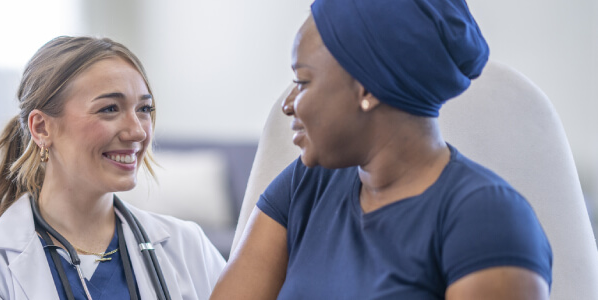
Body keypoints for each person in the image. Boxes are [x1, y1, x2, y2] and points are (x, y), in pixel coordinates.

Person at [212, 0, 552, 299]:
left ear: (368, 89)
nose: (287, 105)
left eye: (302, 82)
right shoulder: (306, 184)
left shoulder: (489, 220)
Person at [0, 36, 225, 300]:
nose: (137, 132)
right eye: (110, 109)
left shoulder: (187, 246)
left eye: (144, 109)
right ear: (42, 128)